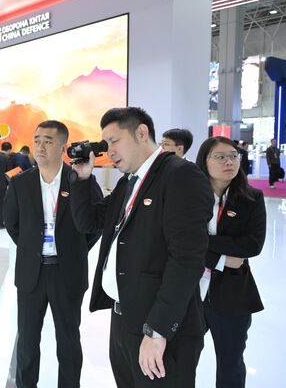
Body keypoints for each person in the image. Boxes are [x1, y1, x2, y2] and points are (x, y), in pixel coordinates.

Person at [70, 107, 213, 388]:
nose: (108, 151)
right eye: (105, 143)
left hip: (159, 330)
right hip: (124, 320)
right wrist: (83, 178)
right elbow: (88, 221)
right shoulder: (129, 183)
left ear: (141, 132)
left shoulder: (181, 175)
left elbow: (186, 261)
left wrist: (157, 332)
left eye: (113, 141)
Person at [4, 120, 102, 388]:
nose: (40, 145)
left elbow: (94, 224)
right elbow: (11, 224)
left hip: (67, 272)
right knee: (26, 341)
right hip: (31, 274)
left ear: (63, 147)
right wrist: (32, 248)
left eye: (48, 140)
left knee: (68, 341)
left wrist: (74, 249)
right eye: (37, 139)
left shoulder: (80, 180)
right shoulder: (20, 183)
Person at [195, 137, 265, 388]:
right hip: (190, 294)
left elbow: (251, 246)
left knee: (231, 365)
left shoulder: (252, 198)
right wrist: (224, 258)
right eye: (220, 156)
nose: (229, 162)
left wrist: (203, 241)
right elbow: (178, 242)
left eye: (234, 156)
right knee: (179, 359)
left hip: (233, 299)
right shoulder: (189, 198)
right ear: (204, 161)